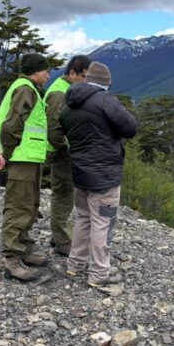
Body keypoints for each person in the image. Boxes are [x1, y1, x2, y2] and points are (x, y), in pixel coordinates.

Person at [61, 61, 137, 287]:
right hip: (105, 175)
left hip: (81, 173)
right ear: (107, 83)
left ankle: (75, 265)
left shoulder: (68, 105)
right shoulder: (106, 101)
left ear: (87, 79)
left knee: (83, 218)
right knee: (103, 221)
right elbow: (130, 128)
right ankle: (99, 273)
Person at [0, 53, 51, 281]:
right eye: (46, 71)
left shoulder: (28, 88)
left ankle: (24, 248)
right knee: (19, 206)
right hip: (22, 157)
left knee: (29, 205)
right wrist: (6, 153)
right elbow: (11, 125)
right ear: (36, 71)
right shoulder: (26, 89)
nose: (48, 75)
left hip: (29, 157)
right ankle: (11, 259)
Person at [44, 55, 91, 256]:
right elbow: (54, 130)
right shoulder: (59, 94)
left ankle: (59, 235)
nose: (85, 80)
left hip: (64, 151)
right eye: (82, 76)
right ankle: (62, 240)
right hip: (61, 153)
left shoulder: (67, 90)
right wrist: (66, 151)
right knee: (63, 194)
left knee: (65, 193)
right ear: (72, 73)